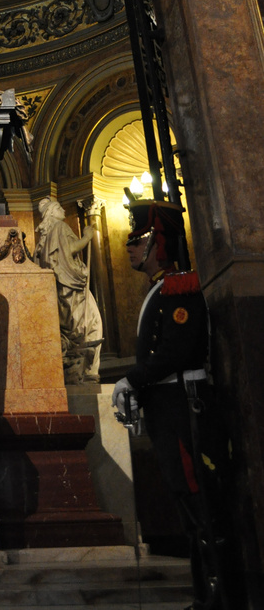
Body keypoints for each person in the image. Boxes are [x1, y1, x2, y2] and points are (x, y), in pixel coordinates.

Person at [112, 199, 235, 610]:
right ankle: (205, 596)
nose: (129, 247)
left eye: (137, 239)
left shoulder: (179, 288)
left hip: (185, 410)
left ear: (157, 243)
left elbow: (179, 351)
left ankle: (220, 597)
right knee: (187, 506)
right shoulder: (160, 292)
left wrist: (133, 378)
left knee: (203, 505)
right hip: (167, 410)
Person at [35, 196, 102, 382]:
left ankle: (76, 371)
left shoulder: (44, 238)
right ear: (52, 212)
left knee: (73, 329)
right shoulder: (60, 227)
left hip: (59, 289)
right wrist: (87, 237)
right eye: (58, 207)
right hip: (73, 287)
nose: (63, 210)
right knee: (93, 324)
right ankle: (89, 372)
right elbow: (70, 248)